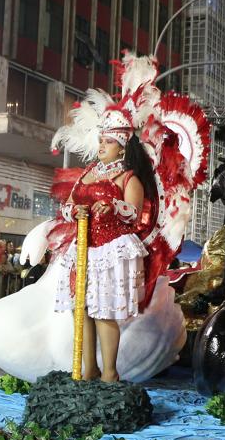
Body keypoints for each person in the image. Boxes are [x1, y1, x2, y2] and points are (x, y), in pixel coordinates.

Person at [55, 128, 153, 382]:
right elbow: (67, 206)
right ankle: (89, 369)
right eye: (100, 141)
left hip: (111, 250)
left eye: (108, 142)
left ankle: (110, 373)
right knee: (81, 309)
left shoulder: (128, 177)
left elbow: (135, 214)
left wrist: (114, 207)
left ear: (122, 148)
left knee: (103, 311)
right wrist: (74, 211)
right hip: (82, 248)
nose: (101, 146)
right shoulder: (87, 172)